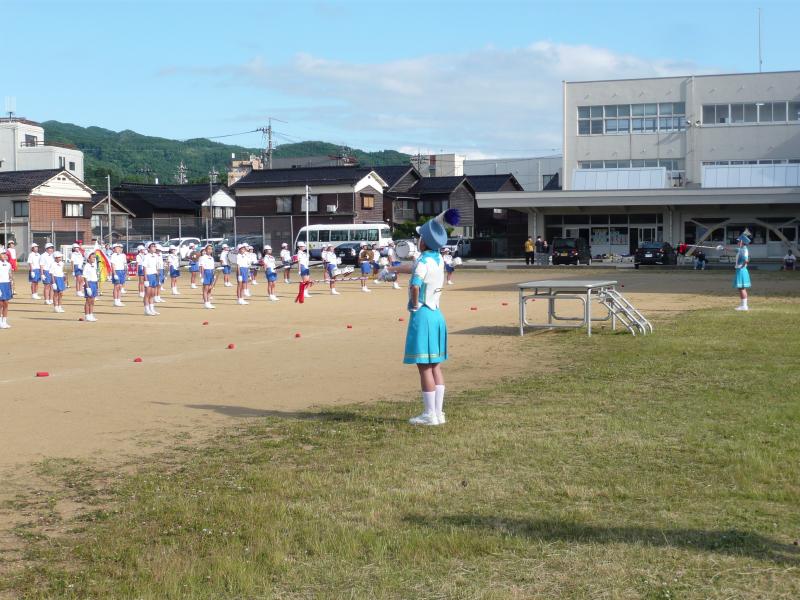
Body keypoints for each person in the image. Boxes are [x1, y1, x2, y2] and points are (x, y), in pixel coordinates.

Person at [388, 209, 458, 426]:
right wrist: (391, 269)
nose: (417, 240)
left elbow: (416, 284)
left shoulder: (422, 262)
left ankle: (429, 415)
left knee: (424, 366)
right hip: (437, 314)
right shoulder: (437, 259)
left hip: (423, 315)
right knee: (435, 365)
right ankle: (438, 413)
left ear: (424, 242)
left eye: (419, 238)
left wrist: (414, 304)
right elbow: (414, 267)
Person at [734, 231, 752, 311]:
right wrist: (723, 248)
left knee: (741, 288)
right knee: (741, 288)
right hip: (741, 269)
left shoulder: (743, 250)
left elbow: (746, 260)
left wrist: (742, 266)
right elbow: (734, 250)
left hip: (741, 270)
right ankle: (743, 305)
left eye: (738, 241)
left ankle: (744, 306)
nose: (737, 242)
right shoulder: (742, 249)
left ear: (742, 242)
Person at [142, 242, 160, 316]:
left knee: (152, 294)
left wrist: (158, 276)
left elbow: (157, 267)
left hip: (154, 275)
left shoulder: (156, 256)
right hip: (148, 276)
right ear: (148, 248)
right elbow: (144, 268)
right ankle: (146, 310)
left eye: (154, 246)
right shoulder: (146, 256)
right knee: (147, 294)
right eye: (152, 246)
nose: (154, 247)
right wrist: (146, 279)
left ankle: (152, 309)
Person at [109, 242, 127, 307]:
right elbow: (112, 265)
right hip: (116, 271)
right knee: (116, 287)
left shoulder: (123, 255)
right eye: (117, 247)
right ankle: (115, 301)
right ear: (114, 249)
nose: (119, 249)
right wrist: (114, 274)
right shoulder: (113, 255)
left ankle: (119, 300)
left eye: (119, 247)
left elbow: (125, 264)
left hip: (122, 271)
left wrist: (125, 271)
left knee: (120, 287)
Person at [82, 251, 99, 322]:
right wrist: (87, 287)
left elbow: (95, 276)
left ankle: (91, 314)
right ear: (88, 259)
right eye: (92, 257)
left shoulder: (94, 265)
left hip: (94, 283)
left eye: (94, 257)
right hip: (89, 284)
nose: (94, 259)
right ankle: (87, 315)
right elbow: (85, 277)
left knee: (92, 301)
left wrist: (97, 285)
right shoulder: (86, 266)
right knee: (88, 300)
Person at [199, 243, 216, 309]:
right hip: (206, 272)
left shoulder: (212, 258)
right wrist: (202, 276)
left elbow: (213, 267)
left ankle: (209, 302)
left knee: (210, 289)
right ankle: (205, 303)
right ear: (205, 250)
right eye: (208, 249)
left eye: (211, 249)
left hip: (211, 273)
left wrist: (214, 274)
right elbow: (202, 267)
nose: (210, 250)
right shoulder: (203, 257)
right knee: (205, 289)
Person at [0, 247, 13, 329]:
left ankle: (4, 321)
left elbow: (10, 274)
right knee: (0, 304)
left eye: (5, 254)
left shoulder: (8, 264)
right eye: (2, 254)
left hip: (6, 284)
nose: (4, 255)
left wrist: (11, 283)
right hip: (0, 284)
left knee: (6, 303)